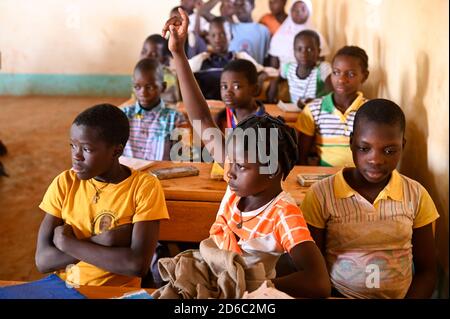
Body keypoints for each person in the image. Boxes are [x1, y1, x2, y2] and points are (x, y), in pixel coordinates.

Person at [161, 7, 331, 298]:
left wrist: (253, 286)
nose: (229, 170)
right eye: (233, 162)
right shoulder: (239, 185)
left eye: (240, 166)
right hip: (209, 277)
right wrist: (178, 53)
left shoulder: (283, 214)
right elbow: (201, 117)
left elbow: (318, 283)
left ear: (271, 169)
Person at [300, 99, 440, 298]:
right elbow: (313, 268)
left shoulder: (416, 195)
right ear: (351, 143)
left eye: (389, 150)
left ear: (403, 145)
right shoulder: (322, 194)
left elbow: (427, 272)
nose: (375, 160)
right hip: (339, 295)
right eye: (364, 148)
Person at [35, 104, 169, 287]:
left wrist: (66, 243)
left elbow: (136, 265)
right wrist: (103, 240)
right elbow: (43, 261)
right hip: (67, 289)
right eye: (73, 146)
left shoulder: (144, 187)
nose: (76, 156)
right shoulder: (65, 183)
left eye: (87, 149)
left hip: (118, 293)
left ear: (116, 151)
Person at [295, 46, 370, 167]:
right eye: (336, 72)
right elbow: (302, 157)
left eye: (350, 74)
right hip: (326, 177)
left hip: (361, 177)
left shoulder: (370, 111)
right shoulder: (314, 109)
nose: (341, 79)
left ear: (364, 76)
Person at [121, 58, 186, 161]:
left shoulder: (175, 118)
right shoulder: (123, 115)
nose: (143, 93)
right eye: (137, 87)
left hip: (159, 175)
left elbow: (180, 158)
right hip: (130, 175)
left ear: (163, 87)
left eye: (150, 87)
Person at [189, 17, 268, 101]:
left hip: (236, 108)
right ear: (208, 38)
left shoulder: (240, 57)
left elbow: (262, 72)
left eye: (222, 34)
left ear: (231, 36)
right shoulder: (202, 59)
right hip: (209, 108)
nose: (217, 39)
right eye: (213, 35)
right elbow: (180, 72)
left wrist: (258, 83)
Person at [269, 0, 330, 70]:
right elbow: (274, 66)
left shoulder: (317, 37)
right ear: (290, 11)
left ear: (309, 11)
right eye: (295, 9)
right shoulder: (279, 36)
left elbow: (320, 64)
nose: (298, 11)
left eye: (303, 9)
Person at [280, 30, 332, 109]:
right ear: (294, 51)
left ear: (318, 51)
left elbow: (331, 95)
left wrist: (314, 102)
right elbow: (278, 77)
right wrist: (272, 90)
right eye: (299, 49)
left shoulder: (322, 69)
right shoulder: (289, 68)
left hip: (316, 112)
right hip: (293, 112)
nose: (304, 54)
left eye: (310, 49)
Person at [228, 0, 271, 65]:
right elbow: (206, 12)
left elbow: (266, 59)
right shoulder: (229, 29)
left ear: (252, 5)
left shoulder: (263, 31)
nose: (239, 9)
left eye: (242, 4)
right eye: (236, 5)